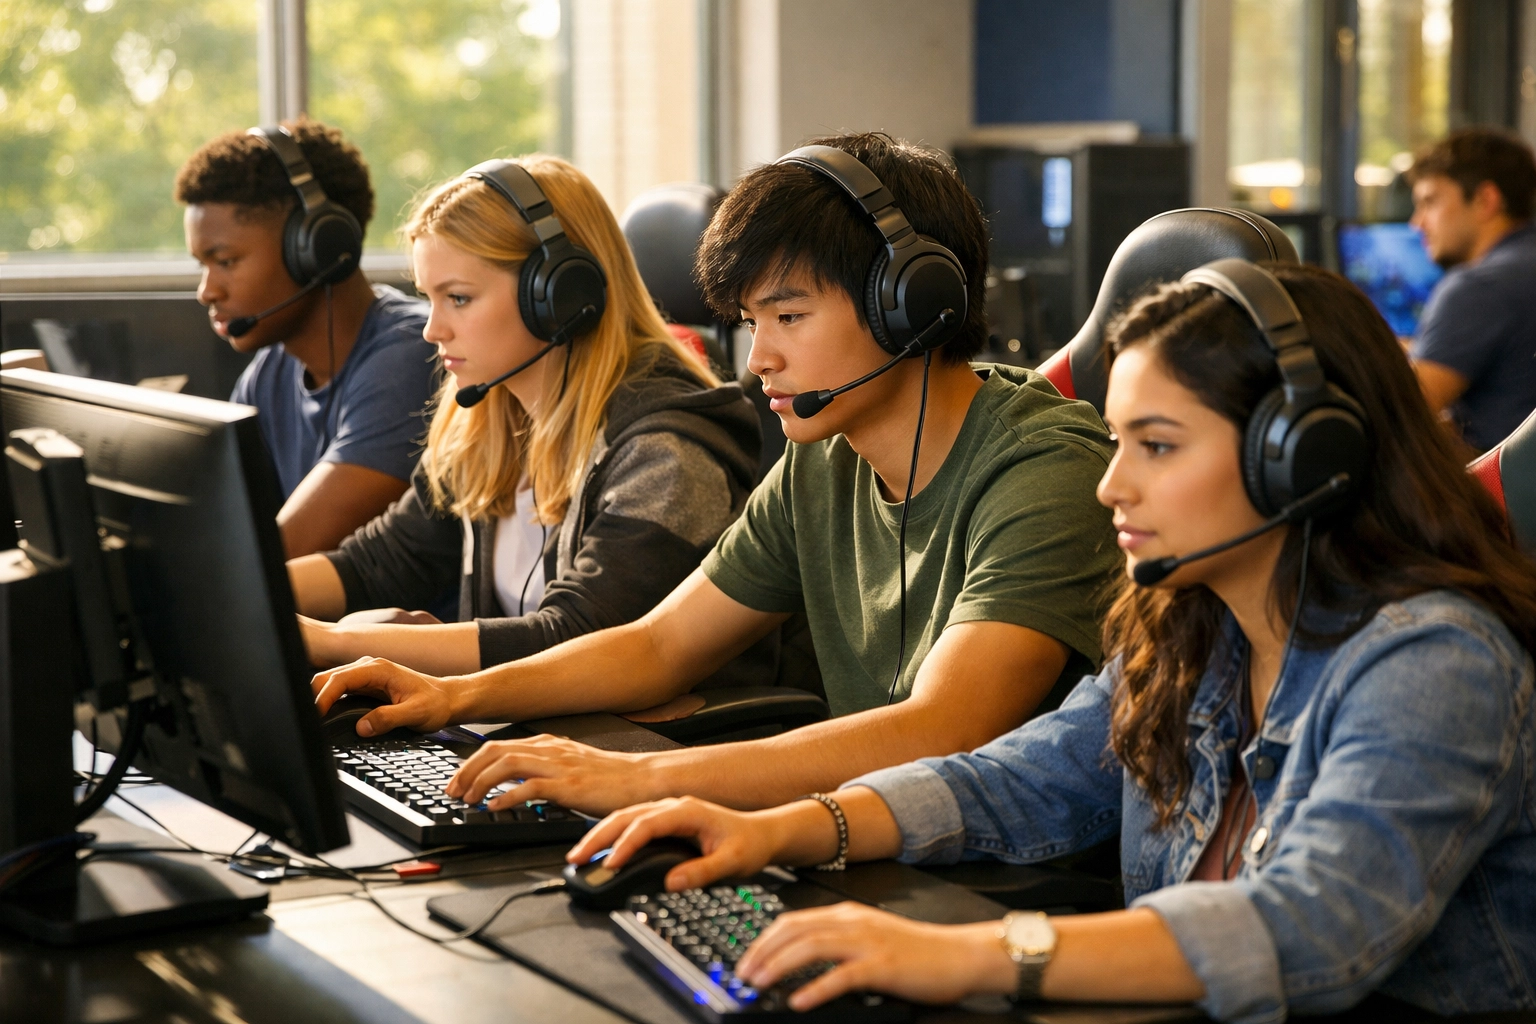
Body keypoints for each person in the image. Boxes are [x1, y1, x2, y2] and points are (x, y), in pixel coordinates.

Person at [568, 262, 1536, 1021]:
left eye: (1157, 445)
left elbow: (1313, 927)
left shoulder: (1432, 659)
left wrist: (969, 954)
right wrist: (788, 826)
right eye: (1116, 442)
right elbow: (1023, 775)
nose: (1113, 485)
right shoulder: (1196, 625)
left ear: (1302, 456)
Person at [311, 132, 1120, 812]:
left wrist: (640, 778)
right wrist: (452, 696)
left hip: (1006, 870)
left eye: (790, 317)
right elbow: (660, 645)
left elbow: (939, 729)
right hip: (868, 829)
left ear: (911, 303)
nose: (759, 358)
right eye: (751, 323)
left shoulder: (1042, 468)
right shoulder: (823, 461)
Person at [289, 155, 774, 687]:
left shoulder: (666, 450)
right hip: (536, 733)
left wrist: (335, 641)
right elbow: (383, 561)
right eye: (429, 299)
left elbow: (576, 637)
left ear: (559, 295)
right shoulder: (488, 420)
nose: (433, 330)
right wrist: (242, 591)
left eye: (458, 298)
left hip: (659, 746)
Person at [177, 119, 437, 558]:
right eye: (202, 265)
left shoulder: (414, 354)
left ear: (315, 246)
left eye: (225, 260)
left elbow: (277, 557)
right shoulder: (269, 374)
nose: (208, 290)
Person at [1406, 127, 1536, 452]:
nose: (1417, 223)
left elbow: (1398, 412)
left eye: (1430, 202)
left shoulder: (1479, 287)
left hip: (1500, 498)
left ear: (1485, 200)